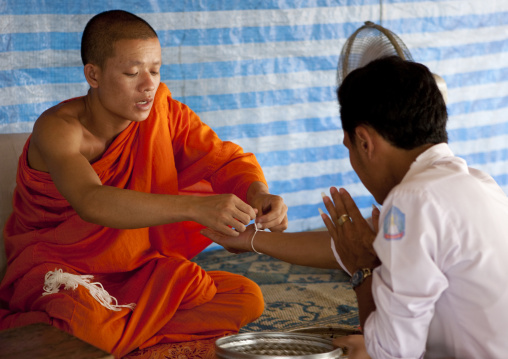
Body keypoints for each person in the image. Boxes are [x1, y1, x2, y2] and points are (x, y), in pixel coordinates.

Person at [0, 10, 288, 358]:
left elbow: (224, 160)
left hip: (136, 268)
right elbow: (92, 201)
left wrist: (258, 193)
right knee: (81, 322)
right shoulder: (58, 128)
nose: (148, 85)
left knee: (246, 297)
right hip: (61, 269)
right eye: (132, 73)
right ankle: (101, 330)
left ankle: (112, 332)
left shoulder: (165, 114)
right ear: (93, 74)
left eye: (155, 70)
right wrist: (196, 208)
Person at [202, 56, 508, 358]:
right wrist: (251, 239)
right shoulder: (480, 184)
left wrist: (362, 272)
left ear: (364, 141)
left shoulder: (412, 200)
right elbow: (354, 242)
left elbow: (390, 353)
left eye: (349, 147)